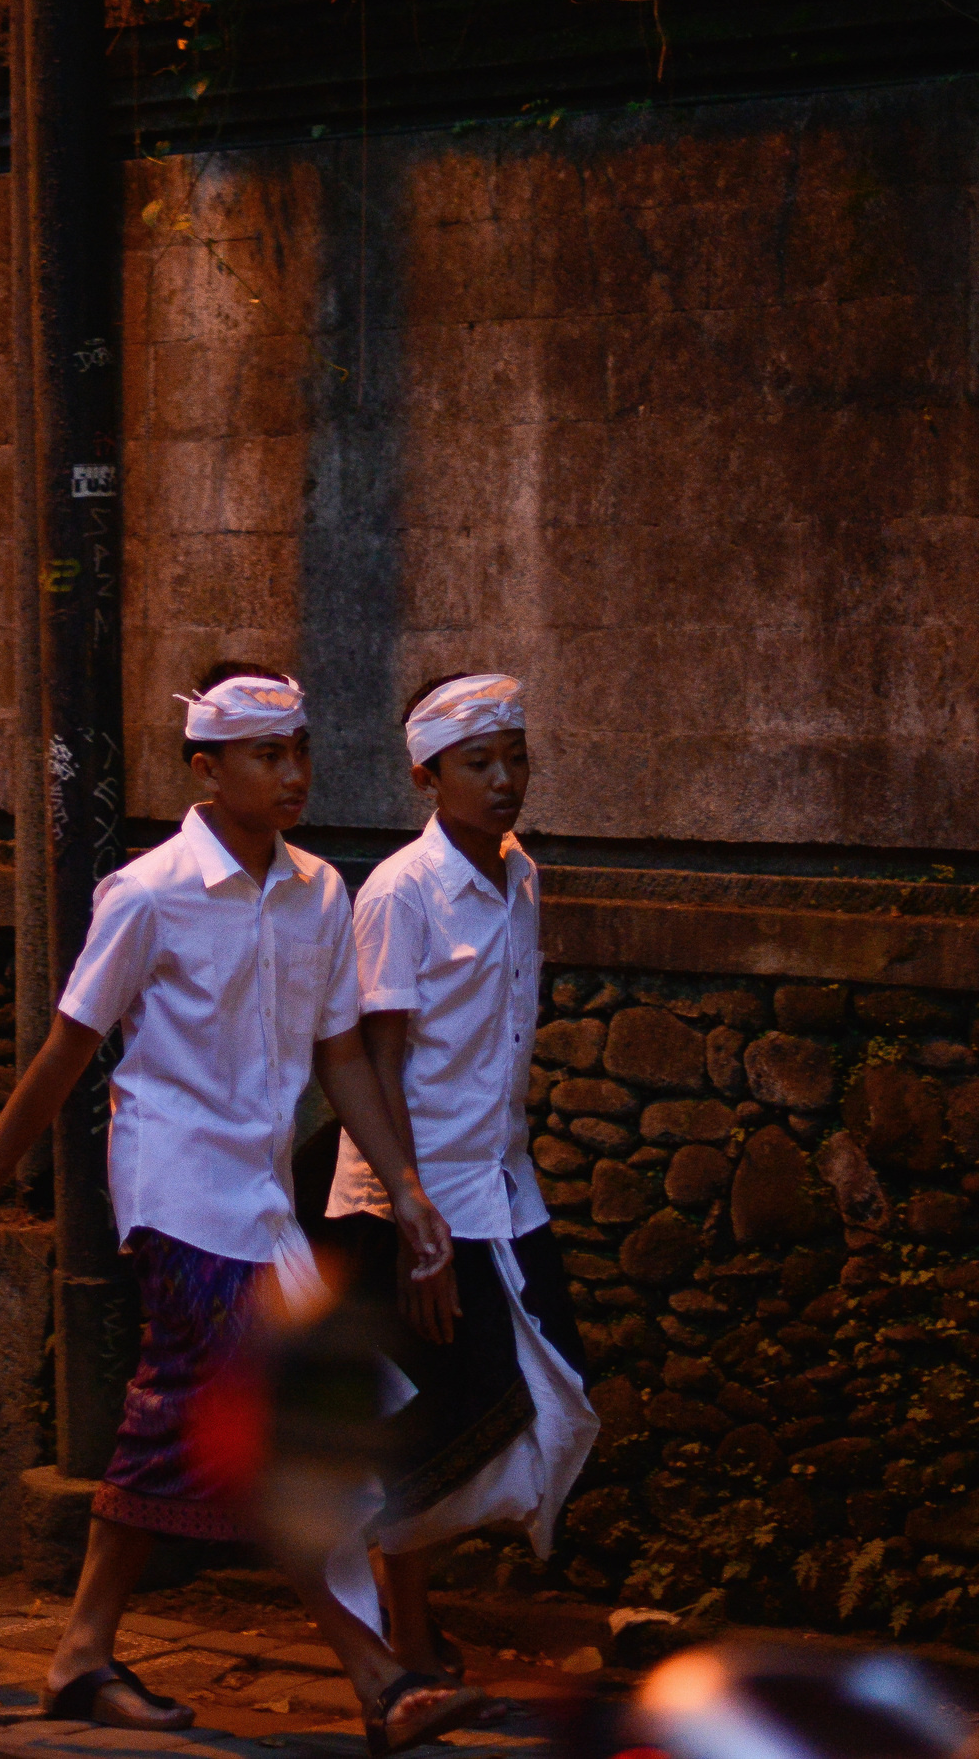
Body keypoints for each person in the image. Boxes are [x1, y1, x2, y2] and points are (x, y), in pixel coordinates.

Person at [0, 666, 491, 1757]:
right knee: (273, 1433)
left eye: (299, 751)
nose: (292, 775)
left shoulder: (320, 890)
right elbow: (66, 1049)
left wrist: (405, 1184)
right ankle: (381, 1681)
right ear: (205, 768)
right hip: (176, 1196)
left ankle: (83, 1654)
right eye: (266, 755)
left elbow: (339, 1055)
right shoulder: (146, 892)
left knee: (202, 1425)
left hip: (263, 1206)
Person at [321, 672, 596, 1683]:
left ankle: (402, 1611)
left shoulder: (519, 873)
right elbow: (377, 1058)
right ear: (425, 773)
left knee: (543, 1392)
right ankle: (403, 1626)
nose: (503, 779)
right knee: (448, 1414)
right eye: (478, 762)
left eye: (514, 757)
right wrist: (411, 1221)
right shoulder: (401, 890)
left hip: (501, 1186)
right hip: (414, 1196)